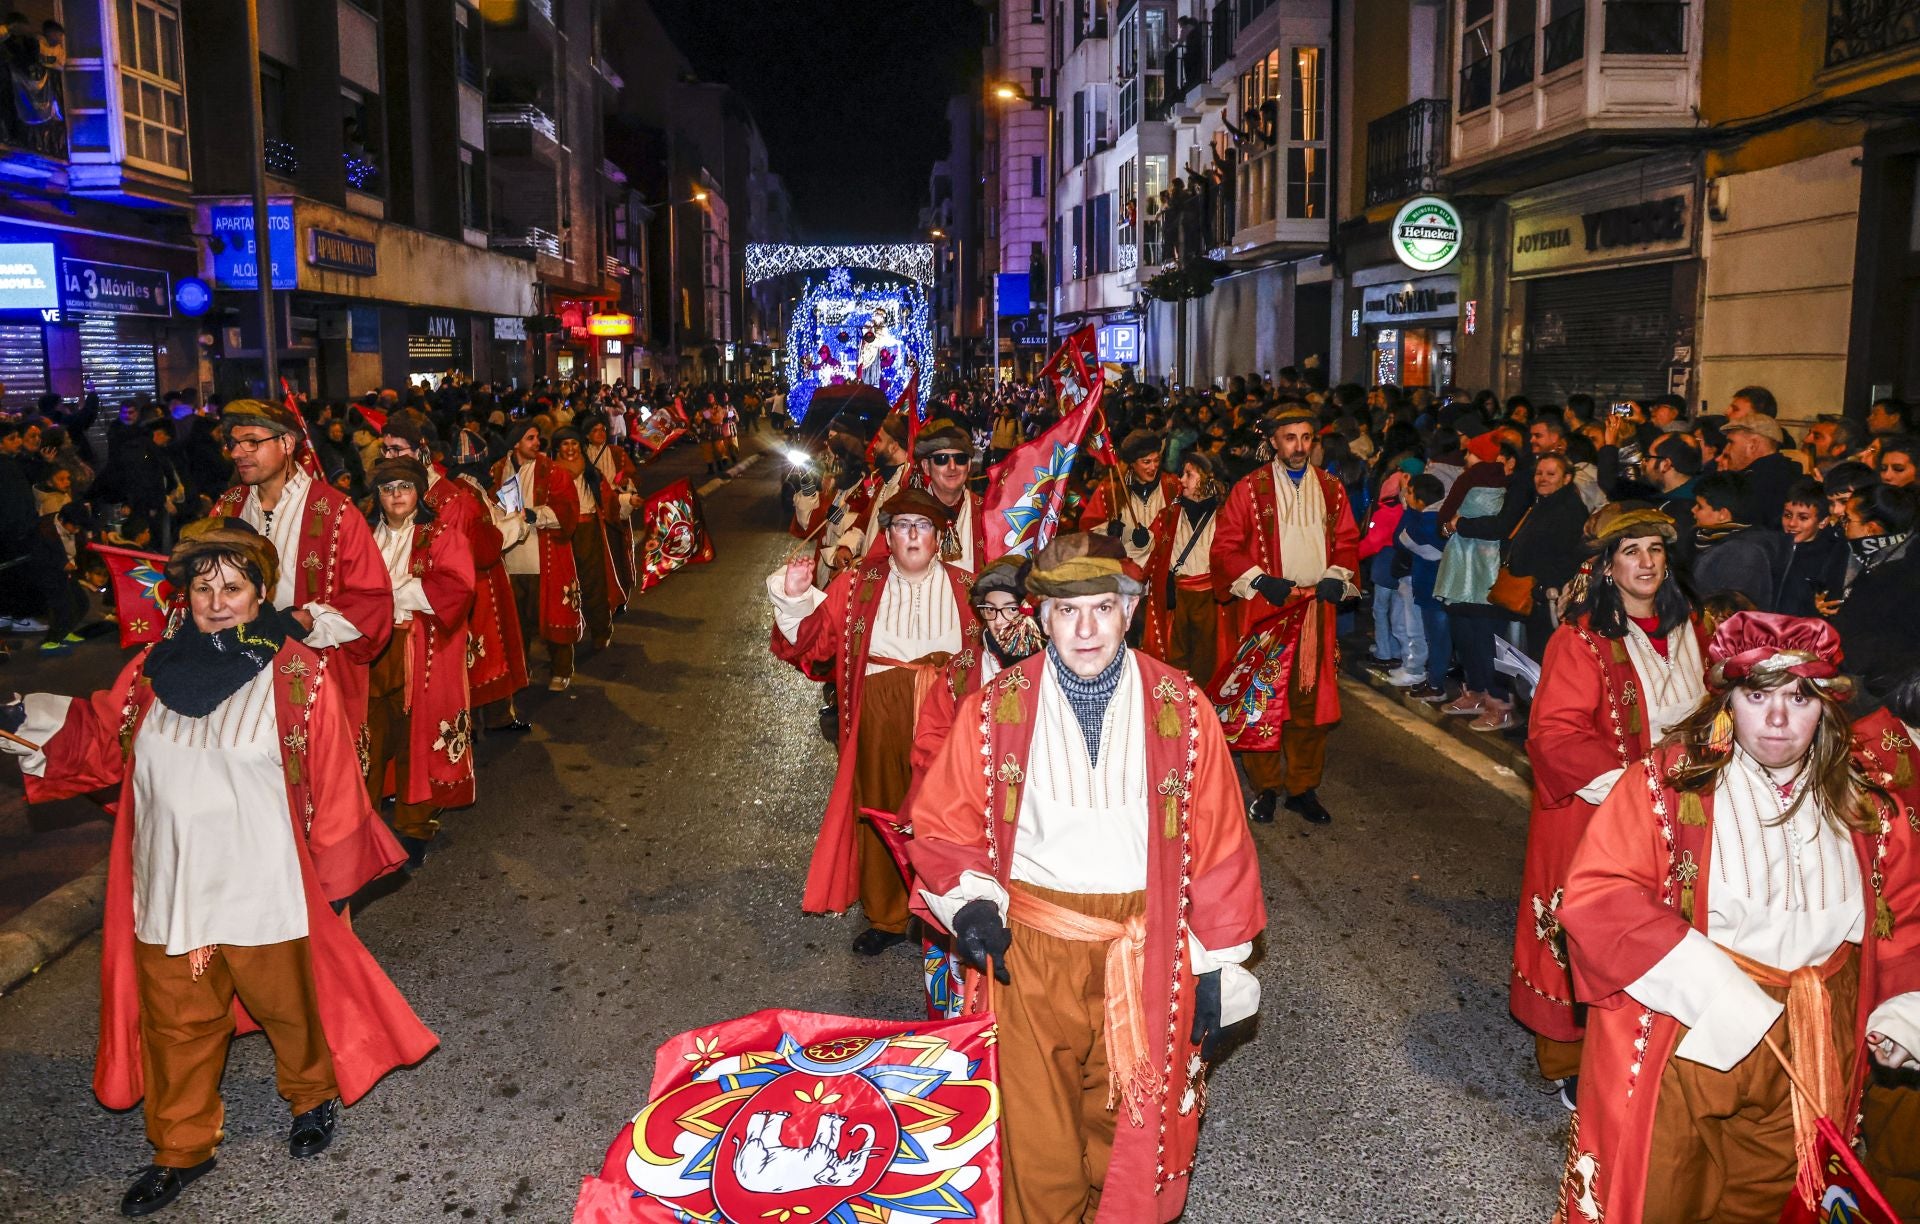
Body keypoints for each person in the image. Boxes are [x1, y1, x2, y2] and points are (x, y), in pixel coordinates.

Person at [0, 522, 436, 1217]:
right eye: (203, 586)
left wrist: (335, 877)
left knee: (291, 1010)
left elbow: (333, 778)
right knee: (176, 1026)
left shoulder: (299, 676)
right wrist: (29, 716)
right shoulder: (149, 671)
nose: (216, 598)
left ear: (262, 594)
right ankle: (181, 1148)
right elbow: (101, 738)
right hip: (168, 889)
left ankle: (311, 1093)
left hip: (265, 887)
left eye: (232, 585)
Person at [905, 531, 1267, 1224]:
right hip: (1031, 949)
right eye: (1067, 612)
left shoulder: (1185, 709)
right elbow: (945, 822)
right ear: (1042, 618)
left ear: (1128, 611)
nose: (1086, 629)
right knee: (1033, 1129)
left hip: (1145, 949)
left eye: (1101, 608)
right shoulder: (992, 709)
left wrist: (1219, 962)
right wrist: (971, 904)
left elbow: (1221, 843)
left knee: (1126, 1124)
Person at [1555, 611, 1920, 1224]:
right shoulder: (1664, 786)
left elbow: (1906, 915)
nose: (1777, 719)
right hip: (1692, 1028)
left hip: (1811, 1035)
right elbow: (1599, 897)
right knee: (1660, 1194)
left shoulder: (1869, 807)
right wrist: (1713, 987)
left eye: (1799, 698)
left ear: (1826, 709)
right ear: (1728, 704)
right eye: (1758, 696)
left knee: (1769, 1200)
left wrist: (1903, 1009)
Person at [1513, 505, 1703, 1107]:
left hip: (1682, 808)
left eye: (1654, 549)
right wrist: (1633, 785)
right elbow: (1556, 734)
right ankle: (1571, 1060)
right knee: (1587, 930)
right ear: (1606, 567)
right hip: (1599, 811)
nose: (1646, 563)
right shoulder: (1581, 639)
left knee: (1659, 927)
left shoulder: (1691, 628)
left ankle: (1650, 1039)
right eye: (1632, 552)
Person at [768, 487, 978, 954]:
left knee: (943, 813)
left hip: (948, 709)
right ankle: (886, 914)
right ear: (888, 533)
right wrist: (796, 598)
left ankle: (945, 910)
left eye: (922, 526)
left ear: (940, 534)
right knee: (881, 807)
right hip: (881, 708)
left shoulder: (968, 587)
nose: (912, 536)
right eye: (902, 525)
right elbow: (814, 646)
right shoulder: (859, 583)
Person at [1211, 404, 1360, 825]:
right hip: (1268, 612)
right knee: (1261, 702)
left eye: (1306, 438)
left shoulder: (1332, 488)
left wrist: (1336, 576)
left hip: (1315, 612)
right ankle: (1266, 789)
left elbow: (1348, 540)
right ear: (1274, 441)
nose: (1299, 447)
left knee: (1310, 705)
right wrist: (1260, 580)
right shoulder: (1249, 489)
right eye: (1290, 438)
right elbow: (1225, 547)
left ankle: (1302, 788)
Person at [210, 399, 394, 732]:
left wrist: (308, 619)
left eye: (252, 441)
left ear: (286, 443)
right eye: (233, 443)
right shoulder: (228, 507)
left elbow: (373, 601)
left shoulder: (336, 513)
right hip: (236, 676)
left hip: (310, 672)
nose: (238, 452)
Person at [378, 419, 527, 730]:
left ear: (421, 450)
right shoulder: (392, 493)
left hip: (438, 605)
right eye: (385, 449)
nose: (389, 457)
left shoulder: (452, 499)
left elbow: (462, 562)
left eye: (397, 449)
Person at [362, 458, 475, 868]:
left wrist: (396, 593)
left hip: (418, 650)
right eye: (387, 488)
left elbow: (457, 587)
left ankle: (414, 826)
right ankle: (363, 826)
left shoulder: (441, 534)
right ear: (377, 495)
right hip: (367, 652)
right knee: (367, 742)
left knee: (415, 738)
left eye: (404, 487)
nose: (395, 496)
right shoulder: (360, 535)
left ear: (418, 493)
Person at [491, 420, 583, 692]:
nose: (537, 443)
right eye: (530, 438)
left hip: (543, 556)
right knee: (517, 622)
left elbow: (568, 511)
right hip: (509, 558)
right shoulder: (498, 470)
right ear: (516, 443)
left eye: (537, 438)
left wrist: (535, 514)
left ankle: (562, 669)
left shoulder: (553, 472)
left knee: (553, 615)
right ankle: (522, 668)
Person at [1141, 450, 1225, 682]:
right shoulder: (1169, 515)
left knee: (1206, 658)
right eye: (1182, 474)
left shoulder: (1224, 516)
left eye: (1189, 475)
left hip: (1210, 599)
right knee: (1176, 657)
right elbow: (1146, 554)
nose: (1181, 479)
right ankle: (1179, 705)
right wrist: (1136, 540)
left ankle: (1204, 707)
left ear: (1207, 480)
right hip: (1178, 598)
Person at [551, 427, 625, 652]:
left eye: (574, 443)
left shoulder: (591, 473)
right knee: (565, 587)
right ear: (557, 448)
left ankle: (601, 629)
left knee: (594, 582)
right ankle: (566, 632)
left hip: (589, 531)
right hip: (561, 534)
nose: (570, 449)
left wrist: (628, 501)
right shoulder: (550, 474)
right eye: (565, 444)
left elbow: (609, 501)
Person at [1081, 429, 1182, 571]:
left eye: (1156, 460)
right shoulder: (1111, 490)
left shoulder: (1170, 485)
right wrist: (1109, 533)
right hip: (1124, 573)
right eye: (1146, 462)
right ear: (1132, 464)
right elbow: (1089, 531)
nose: (1153, 467)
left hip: (1160, 574)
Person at [1690, 472, 1789, 610]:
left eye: (1699, 506)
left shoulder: (1741, 553)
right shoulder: (1713, 541)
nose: (1693, 510)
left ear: (1723, 514)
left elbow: (1733, 611)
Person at [912, 420, 987, 573]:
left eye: (960, 459)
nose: (952, 467)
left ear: (969, 465)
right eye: (942, 459)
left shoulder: (987, 513)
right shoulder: (906, 513)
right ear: (926, 467)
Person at [1719, 414, 1800, 529]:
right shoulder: (1786, 472)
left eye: (1731, 442)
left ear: (1753, 445)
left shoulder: (1758, 482)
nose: (1726, 450)